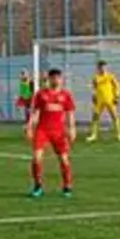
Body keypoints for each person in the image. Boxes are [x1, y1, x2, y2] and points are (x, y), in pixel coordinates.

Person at [26, 68, 76, 198]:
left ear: (61, 79)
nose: (56, 80)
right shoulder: (41, 94)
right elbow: (35, 112)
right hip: (42, 130)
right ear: (49, 79)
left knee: (64, 160)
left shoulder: (66, 95)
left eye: (58, 77)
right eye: (53, 77)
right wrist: (29, 126)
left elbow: (70, 113)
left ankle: (67, 186)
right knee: (37, 158)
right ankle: (37, 186)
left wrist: (72, 129)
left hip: (58, 132)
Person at [87, 59, 120, 141]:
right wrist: (93, 96)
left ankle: (119, 135)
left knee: (115, 116)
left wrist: (117, 96)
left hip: (110, 100)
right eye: (100, 67)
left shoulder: (110, 76)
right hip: (99, 101)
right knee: (95, 117)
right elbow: (93, 88)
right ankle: (93, 135)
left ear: (106, 68)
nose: (102, 69)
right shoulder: (95, 77)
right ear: (98, 68)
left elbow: (117, 86)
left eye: (104, 67)